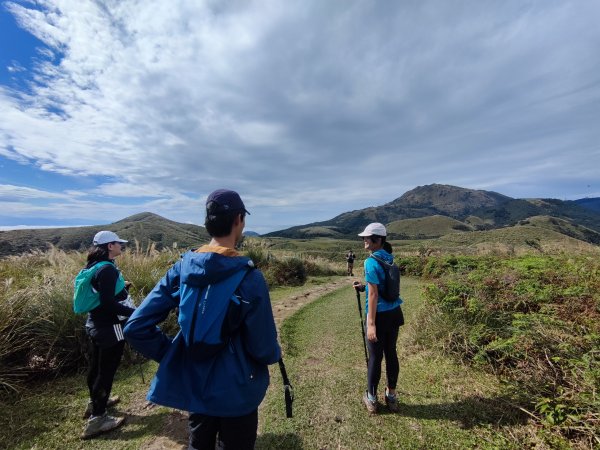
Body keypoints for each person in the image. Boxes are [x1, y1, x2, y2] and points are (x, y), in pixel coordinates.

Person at [124, 189, 281, 450]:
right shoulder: (250, 278)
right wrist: (273, 354)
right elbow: (263, 348)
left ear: (208, 223)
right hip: (237, 393)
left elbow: (136, 327)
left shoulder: (182, 268)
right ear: (239, 220)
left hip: (196, 386)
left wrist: (175, 355)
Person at [81, 230, 135, 439]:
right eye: (118, 243)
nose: (122, 245)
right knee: (107, 371)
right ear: (109, 246)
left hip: (94, 323)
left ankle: (95, 402)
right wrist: (137, 312)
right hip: (109, 327)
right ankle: (98, 418)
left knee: (95, 367)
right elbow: (109, 304)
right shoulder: (107, 270)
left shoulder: (94, 266)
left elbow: (102, 295)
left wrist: (122, 288)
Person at [352, 223, 404, 414]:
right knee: (391, 354)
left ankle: (372, 399)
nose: (364, 240)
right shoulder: (390, 259)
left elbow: (374, 295)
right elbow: (381, 287)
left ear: (378, 239)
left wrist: (371, 324)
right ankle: (391, 396)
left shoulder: (370, 261)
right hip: (395, 314)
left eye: (368, 237)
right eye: (364, 237)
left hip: (379, 317)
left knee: (375, 357)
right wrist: (363, 287)